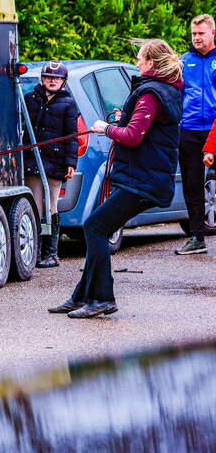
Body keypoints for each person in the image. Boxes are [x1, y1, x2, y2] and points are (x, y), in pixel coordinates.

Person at [49, 39, 183, 319]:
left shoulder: (152, 94)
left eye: (140, 58)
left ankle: (103, 298)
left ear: (151, 63)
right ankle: (82, 296)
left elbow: (133, 136)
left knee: (95, 227)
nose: (136, 62)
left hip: (144, 181)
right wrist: (124, 119)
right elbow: (142, 127)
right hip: (143, 178)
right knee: (96, 225)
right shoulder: (163, 92)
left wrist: (105, 128)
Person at [24, 61, 80, 268]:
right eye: (48, 77)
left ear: (63, 81)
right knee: (35, 206)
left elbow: (72, 135)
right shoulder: (29, 98)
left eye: (56, 78)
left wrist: (70, 162)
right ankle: (35, 252)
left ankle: (52, 253)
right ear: (42, 79)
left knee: (51, 206)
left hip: (55, 161)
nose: (52, 81)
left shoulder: (68, 103)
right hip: (32, 159)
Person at [175, 14, 216, 255]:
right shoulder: (183, 62)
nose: (197, 37)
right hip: (189, 129)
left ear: (212, 33)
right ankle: (197, 237)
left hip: (214, 127)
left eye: (201, 33)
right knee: (192, 184)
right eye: (193, 34)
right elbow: (177, 96)